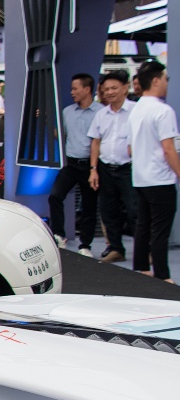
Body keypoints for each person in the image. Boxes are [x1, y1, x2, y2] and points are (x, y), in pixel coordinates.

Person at [128, 61, 180, 282]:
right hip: (160, 179)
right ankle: (162, 275)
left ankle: (142, 269)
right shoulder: (163, 110)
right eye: (166, 79)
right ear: (156, 80)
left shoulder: (136, 108)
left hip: (140, 177)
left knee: (144, 225)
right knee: (160, 230)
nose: (167, 83)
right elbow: (169, 149)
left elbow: (129, 148)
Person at [87, 69, 136, 264]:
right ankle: (116, 248)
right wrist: (93, 169)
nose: (109, 92)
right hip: (106, 168)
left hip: (129, 169)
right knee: (108, 211)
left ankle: (144, 250)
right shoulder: (101, 114)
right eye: (106, 89)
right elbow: (95, 142)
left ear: (126, 88)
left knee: (135, 211)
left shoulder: (136, 111)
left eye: (114, 88)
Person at [47, 74, 99, 254]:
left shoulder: (100, 112)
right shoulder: (67, 112)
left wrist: (94, 168)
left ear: (87, 89)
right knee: (55, 196)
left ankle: (85, 244)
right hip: (71, 164)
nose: (72, 92)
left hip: (91, 166)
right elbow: (61, 134)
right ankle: (59, 234)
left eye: (75, 88)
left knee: (89, 207)